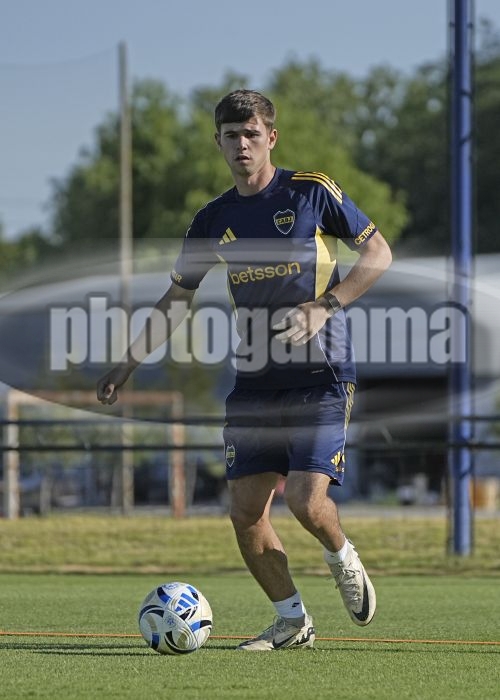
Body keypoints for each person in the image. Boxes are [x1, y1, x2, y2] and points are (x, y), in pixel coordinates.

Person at [97, 89, 392, 651]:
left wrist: (325, 305)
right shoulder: (213, 219)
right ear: (219, 142)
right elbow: (177, 298)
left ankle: (341, 555)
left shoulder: (311, 192)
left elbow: (378, 254)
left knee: (306, 501)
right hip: (255, 384)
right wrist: (127, 363)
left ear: (271, 137)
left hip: (322, 376)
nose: (242, 145)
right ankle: (292, 621)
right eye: (231, 136)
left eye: (252, 134)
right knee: (245, 513)